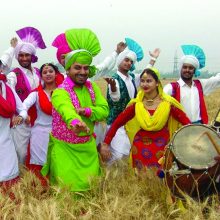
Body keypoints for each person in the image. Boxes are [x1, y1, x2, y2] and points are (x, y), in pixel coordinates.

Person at [41, 28, 109, 192]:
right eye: (77, 68)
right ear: (68, 69)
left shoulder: (92, 87)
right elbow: (66, 110)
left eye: (86, 68)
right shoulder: (59, 92)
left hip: (88, 149)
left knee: (89, 191)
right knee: (66, 193)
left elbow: (104, 110)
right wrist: (75, 121)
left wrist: (86, 111)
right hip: (65, 150)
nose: (83, 72)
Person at [100, 67, 190, 172]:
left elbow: (187, 123)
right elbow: (117, 123)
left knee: (161, 179)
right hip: (140, 147)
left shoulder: (168, 104)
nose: (144, 84)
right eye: (142, 81)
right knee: (141, 178)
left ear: (157, 83)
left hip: (162, 147)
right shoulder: (137, 104)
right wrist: (106, 143)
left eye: (149, 81)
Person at [105, 38, 160, 164]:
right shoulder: (114, 79)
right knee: (118, 154)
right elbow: (116, 99)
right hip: (116, 122)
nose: (129, 63)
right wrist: (113, 88)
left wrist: (153, 59)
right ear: (120, 60)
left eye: (131, 61)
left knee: (130, 150)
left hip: (131, 122)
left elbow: (145, 74)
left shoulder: (132, 78)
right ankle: (111, 180)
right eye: (126, 60)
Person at [7, 26, 46, 164]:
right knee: (21, 152)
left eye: (27, 55)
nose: (24, 58)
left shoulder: (38, 72)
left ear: (32, 56)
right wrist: (19, 114)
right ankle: (20, 180)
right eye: (21, 55)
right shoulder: (13, 74)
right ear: (17, 57)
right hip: (22, 120)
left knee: (36, 150)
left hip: (39, 119)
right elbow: (9, 95)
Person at [22, 63, 59, 185]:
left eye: (50, 71)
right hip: (40, 134)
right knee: (40, 163)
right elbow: (24, 105)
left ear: (56, 73)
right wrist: (23, 114)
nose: (48, 74)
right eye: (45, 72)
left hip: (59, 134)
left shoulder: (63, 92)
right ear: (41, 76)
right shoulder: (36, 93)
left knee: (57, 162)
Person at [164, 45, 220, 124]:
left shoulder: (200, 85)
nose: (187, 70)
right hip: (179, 129)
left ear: (194, 70)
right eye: (185, 67)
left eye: (191, 68)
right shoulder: (171, 88)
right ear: (181, 68)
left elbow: (217, 79)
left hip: (198, 128)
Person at [0, 72, 27, 190]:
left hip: (6, 145)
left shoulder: (7, 88)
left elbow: (22, 110)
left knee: (11, 191)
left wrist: (21, 117)